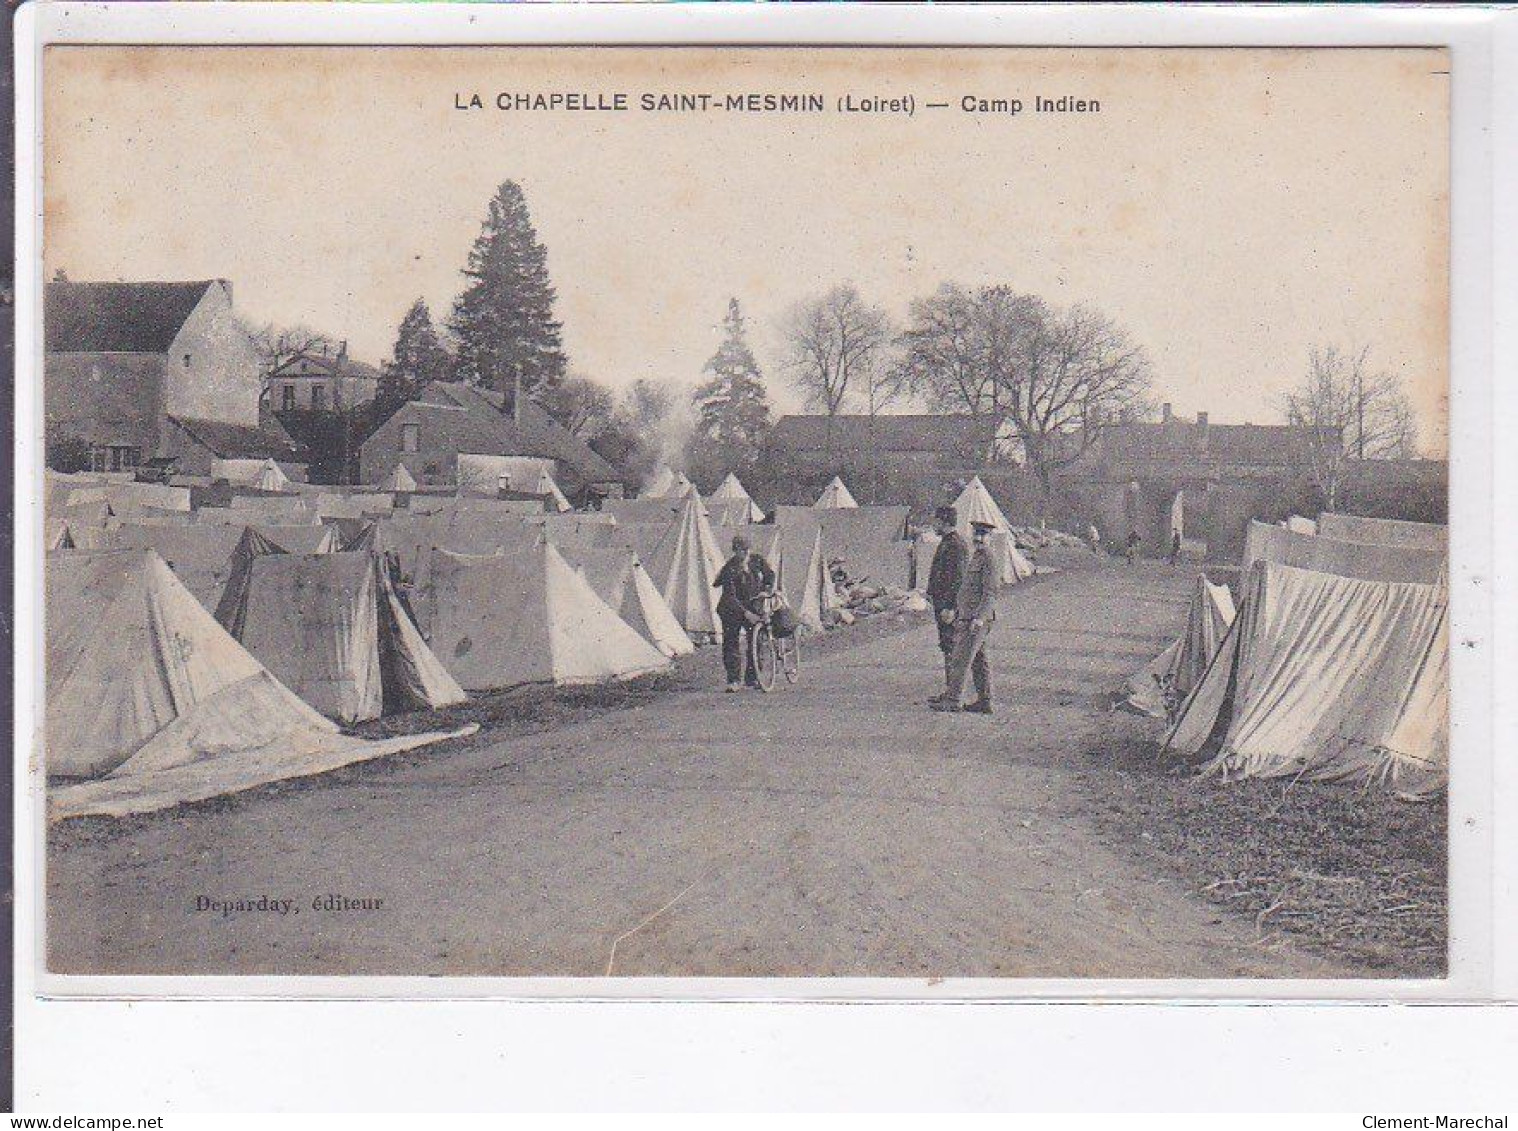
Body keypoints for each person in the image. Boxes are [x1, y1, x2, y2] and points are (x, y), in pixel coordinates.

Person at [932, 520, 1001, 714]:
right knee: (978, 659)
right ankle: (984, 701)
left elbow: (990, 593)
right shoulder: (977, 556)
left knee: (960, 659)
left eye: (983, 535)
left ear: (990, 537)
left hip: (976, 619)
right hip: (969, 616)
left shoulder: (989, 559)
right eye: (976, 534)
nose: (978, 538)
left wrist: (979, 618)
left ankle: (953, 700)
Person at [713, 534, 776, 692]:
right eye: (742, 551)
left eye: (747, 550)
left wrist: (765, 591)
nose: (746, 554)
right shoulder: (730, 569)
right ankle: (733, 680)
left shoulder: (757, 560)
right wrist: (746, 613)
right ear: (735, 551)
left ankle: (753, 677)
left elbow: (770, 576)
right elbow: (730, 596)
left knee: (756, 640)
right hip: (731, 610)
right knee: (731, 644)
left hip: (752, 604)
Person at [924, 505, 969, 701]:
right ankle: (950, 691)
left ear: (944, 521)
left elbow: (958, 580)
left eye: (936, 521)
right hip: (942, 604)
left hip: (948, 606)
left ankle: (953, 694)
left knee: (951, 647)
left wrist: (951, 607)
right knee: (947, 645)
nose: (933, 524)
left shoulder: (955, 545)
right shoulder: (948, 543)